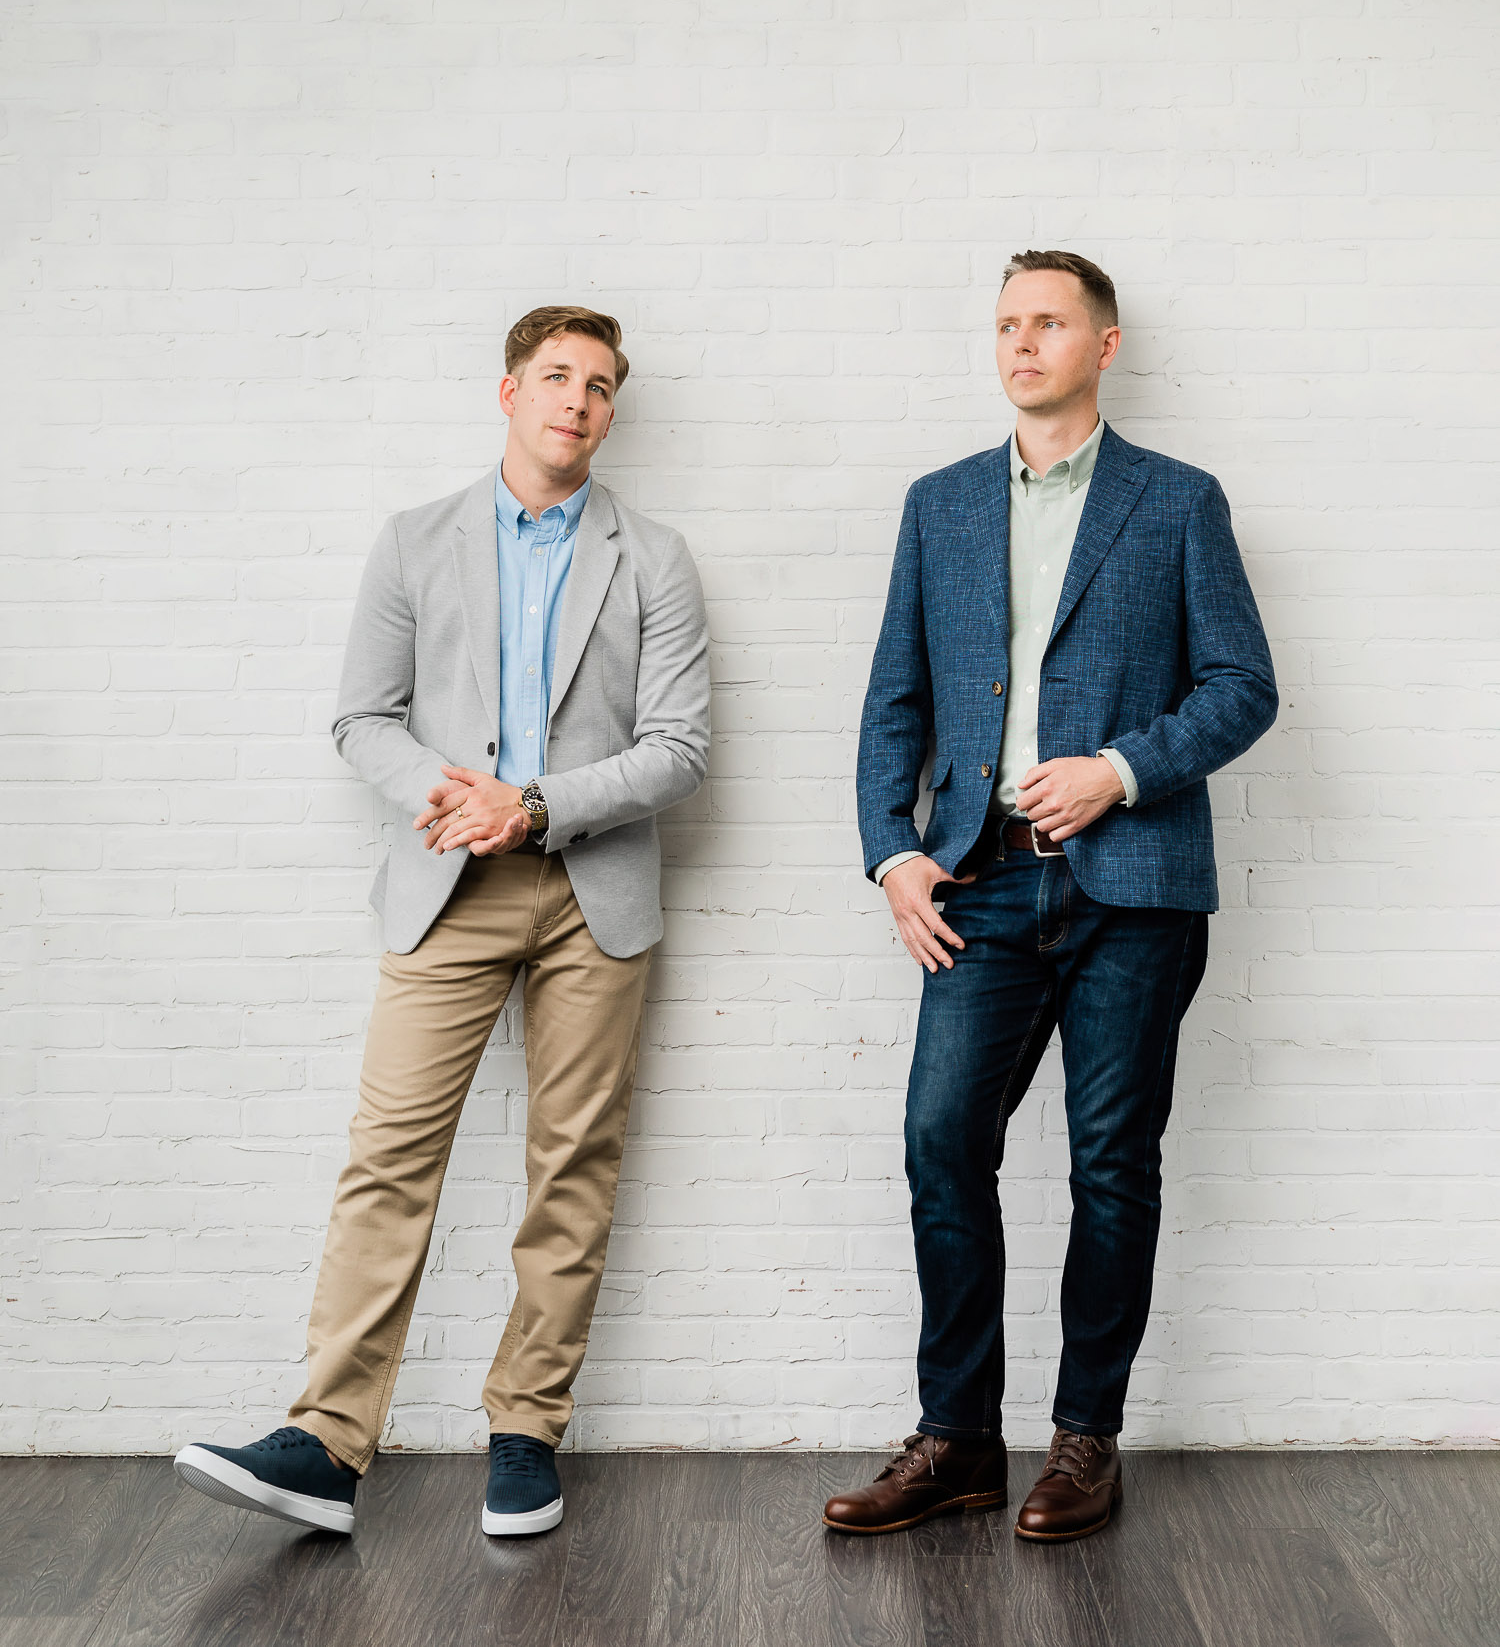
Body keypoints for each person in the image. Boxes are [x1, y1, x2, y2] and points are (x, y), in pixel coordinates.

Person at [175, 306, 710, 1538]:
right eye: (557, 378)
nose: (578, 401)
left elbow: (681, 752)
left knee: (570, 1164)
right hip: (446, 888)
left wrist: (531, 806)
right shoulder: (415, 543)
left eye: (601, 386)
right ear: (510, 392)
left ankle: (525, 1432)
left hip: (594, 889)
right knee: (389, 1160)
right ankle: (323, 1442)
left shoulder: (657, 559)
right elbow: (364, 719)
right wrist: (459, 806)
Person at [823, 251, 1276, 1541]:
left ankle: (1086, 1440)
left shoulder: (1179, 502)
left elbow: (1243, 685)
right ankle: (960, 1439)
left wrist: (1122, 771)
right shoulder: (941, 504)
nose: (1023, 343)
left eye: (1050, 323)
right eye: (1008, 323)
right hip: (979, 885)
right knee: (939, 1141)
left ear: (1106, 344)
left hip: (1133, 890)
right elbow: (892, 706)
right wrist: (893, 852)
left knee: (1110, 1167)